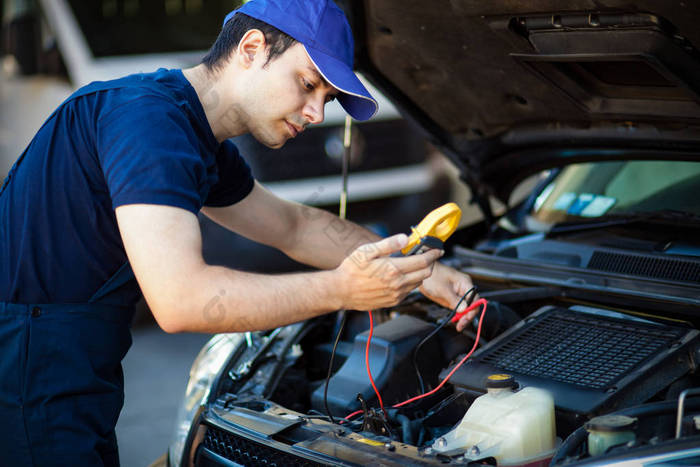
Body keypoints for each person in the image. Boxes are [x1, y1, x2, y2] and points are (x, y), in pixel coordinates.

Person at [0, 0, 477, 464]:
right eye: (308, 84)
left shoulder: (192, 132)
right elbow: (180, 300)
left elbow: (293, 226)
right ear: (252, 49)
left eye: (326, 99)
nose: (316, 114)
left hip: (76, 364)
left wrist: (421, 272)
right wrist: (344, 290)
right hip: (30, 368)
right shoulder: (147, 122)